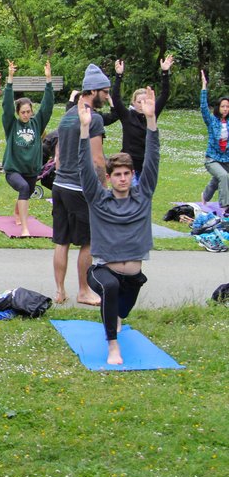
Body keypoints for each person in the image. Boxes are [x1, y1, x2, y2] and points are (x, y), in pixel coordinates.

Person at [79, 87, 159, 365]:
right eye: (117, 175)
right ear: (110, 178)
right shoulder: (98, 198)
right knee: (109, 289)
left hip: (133, 277)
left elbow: (153, 159)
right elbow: (85, 168)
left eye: (127, 174)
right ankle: (113, 346)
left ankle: (116, 316)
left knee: (121, 308)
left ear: (132, 175)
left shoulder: (143, 194)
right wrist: (84, 131)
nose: (123, 179)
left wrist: (151, 120)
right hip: (102, 270)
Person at [52, 63, 110, 306]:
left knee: (61, 240)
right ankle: (84, 291)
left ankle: (60, 291)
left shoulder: (66, 116)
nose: (107, 97)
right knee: (88, 241)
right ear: (93, 91)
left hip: (59, 185)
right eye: (105, 92)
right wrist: (104, 188)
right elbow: (97, 158)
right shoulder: (93, 119)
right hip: (80, 188)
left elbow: (56, 157)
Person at [1, 61, 54, 237]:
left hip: (31, 170)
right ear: (18, 113)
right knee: (24, 188)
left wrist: (48, 80)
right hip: (13, 170)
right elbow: (7, 106)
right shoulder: (11, 125)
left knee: (28, 190)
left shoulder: (37, 123)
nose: (26, 114)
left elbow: (47, 107)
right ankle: (25, 228)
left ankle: (17, 212)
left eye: (28, 111)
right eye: (22, 112)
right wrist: (9, 80)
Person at [111, 56, 173, 177]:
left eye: (146, 101)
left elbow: (165, 94)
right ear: (133, 102)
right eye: (139, 102)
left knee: (144, 195)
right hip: (129, 165)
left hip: (146, 164)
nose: (142, 105)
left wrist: (165, 72)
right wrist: (119, 76)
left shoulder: (151, 115)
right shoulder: (127, 116)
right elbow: (116, 99)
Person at [199, 70, 229, 209]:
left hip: (226, 159)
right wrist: (204, 87)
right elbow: (204, 108)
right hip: (212, 159)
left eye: (227, 106)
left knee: (217, 180)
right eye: (223, 106)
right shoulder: (212, 121)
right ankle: (225, 206)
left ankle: (205, 196)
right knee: (223, 176)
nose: (225, 109)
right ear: (218, 107)